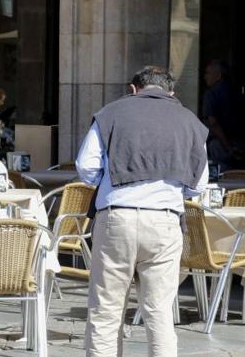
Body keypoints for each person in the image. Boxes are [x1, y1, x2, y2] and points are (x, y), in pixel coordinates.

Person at [75, 66, 208, 357]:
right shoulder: (189, 120)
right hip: (164, 219)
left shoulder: (111, 112)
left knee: (106, 311)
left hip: (117, 217)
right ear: (171, 92)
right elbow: (199, 185)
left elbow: (86, 166)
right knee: (159, 312)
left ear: (133, 88)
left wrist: (110, 184)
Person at [202, 59, 243, 170]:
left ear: (218, 75)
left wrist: (227, 146)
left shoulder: (210, 94)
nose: (205, 77)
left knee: (223, 176)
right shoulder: (237, 92)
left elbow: (213, 123)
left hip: (220, 145)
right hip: (240, 145)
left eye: (208, 73)